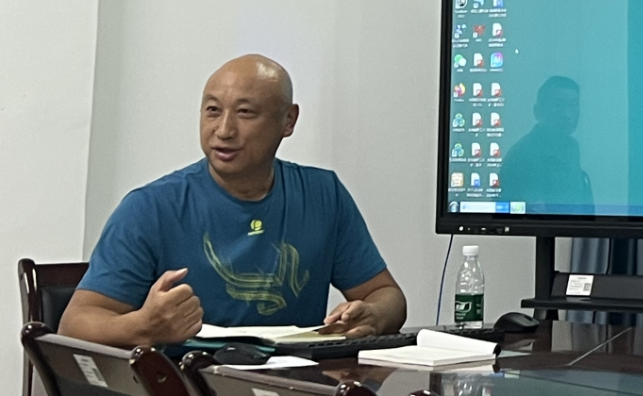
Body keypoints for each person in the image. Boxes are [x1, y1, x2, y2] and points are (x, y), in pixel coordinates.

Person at [59, 54, 406, 346]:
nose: (224, 130)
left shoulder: (322, 195)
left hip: (293, 382)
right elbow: (74, 325)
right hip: (188, 382)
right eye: (212, 110)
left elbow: (387, 295)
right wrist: (143, 327)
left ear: (288, 120)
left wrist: (373, 316)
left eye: (245, 113)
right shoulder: (150, 208)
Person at [499, 76, 593, 213]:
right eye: (559, 106)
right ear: (538, 111)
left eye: (573, 105)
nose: (567, 114)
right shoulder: (523, 156)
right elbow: (534, 214)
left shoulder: (572, 147)